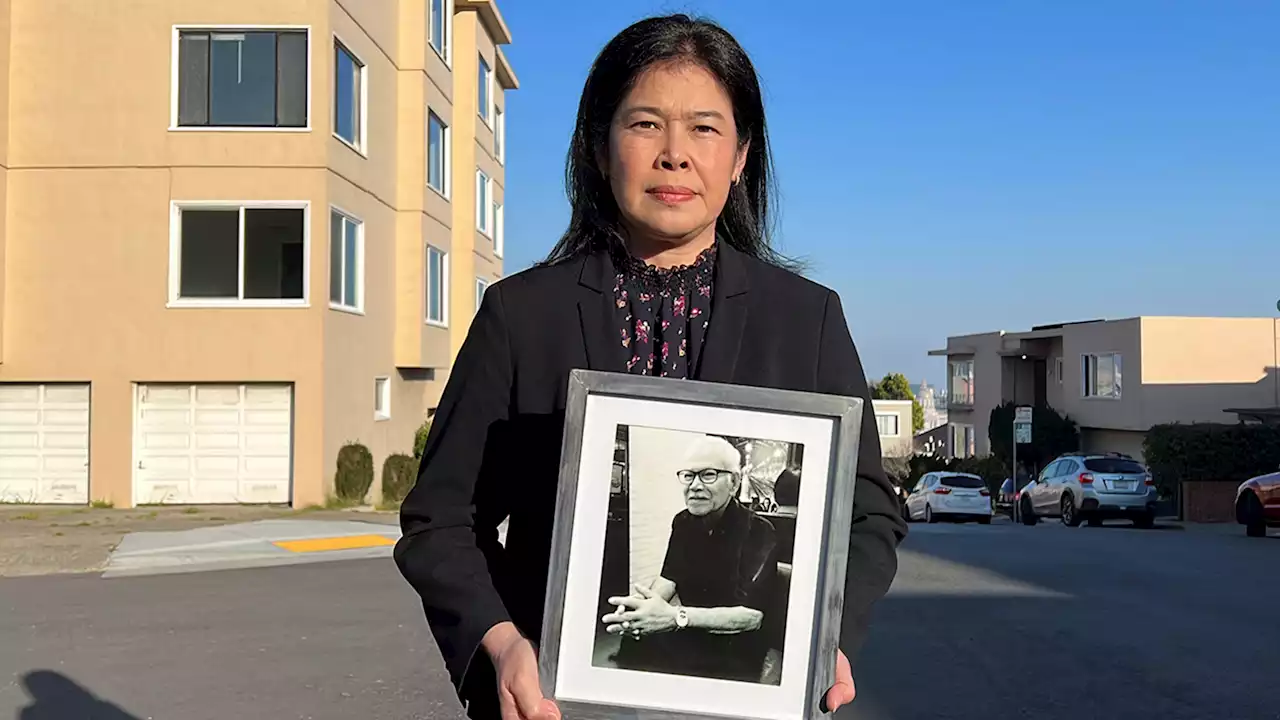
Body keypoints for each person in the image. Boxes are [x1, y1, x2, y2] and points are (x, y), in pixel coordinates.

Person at [394, 13, 909, 720]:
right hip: (558, 700)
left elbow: (869, 513)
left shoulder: (807, 318)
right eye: (644, 125)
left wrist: (825, 636)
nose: (675, 154)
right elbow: (441, 521)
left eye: (703, 128)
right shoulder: (522, 315)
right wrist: (505, 644)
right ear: (601, 150)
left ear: (741, 156)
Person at [600, 435, 780, 683]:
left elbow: (751, 617)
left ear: (734, 483)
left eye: (708, 475)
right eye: (688, 475)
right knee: (633, 643)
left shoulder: (759, 530)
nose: (695, 485)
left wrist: (675, 617)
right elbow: (668, 579)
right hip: (690, 629)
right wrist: (641, 607)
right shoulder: (682, 521)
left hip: (735, 643)